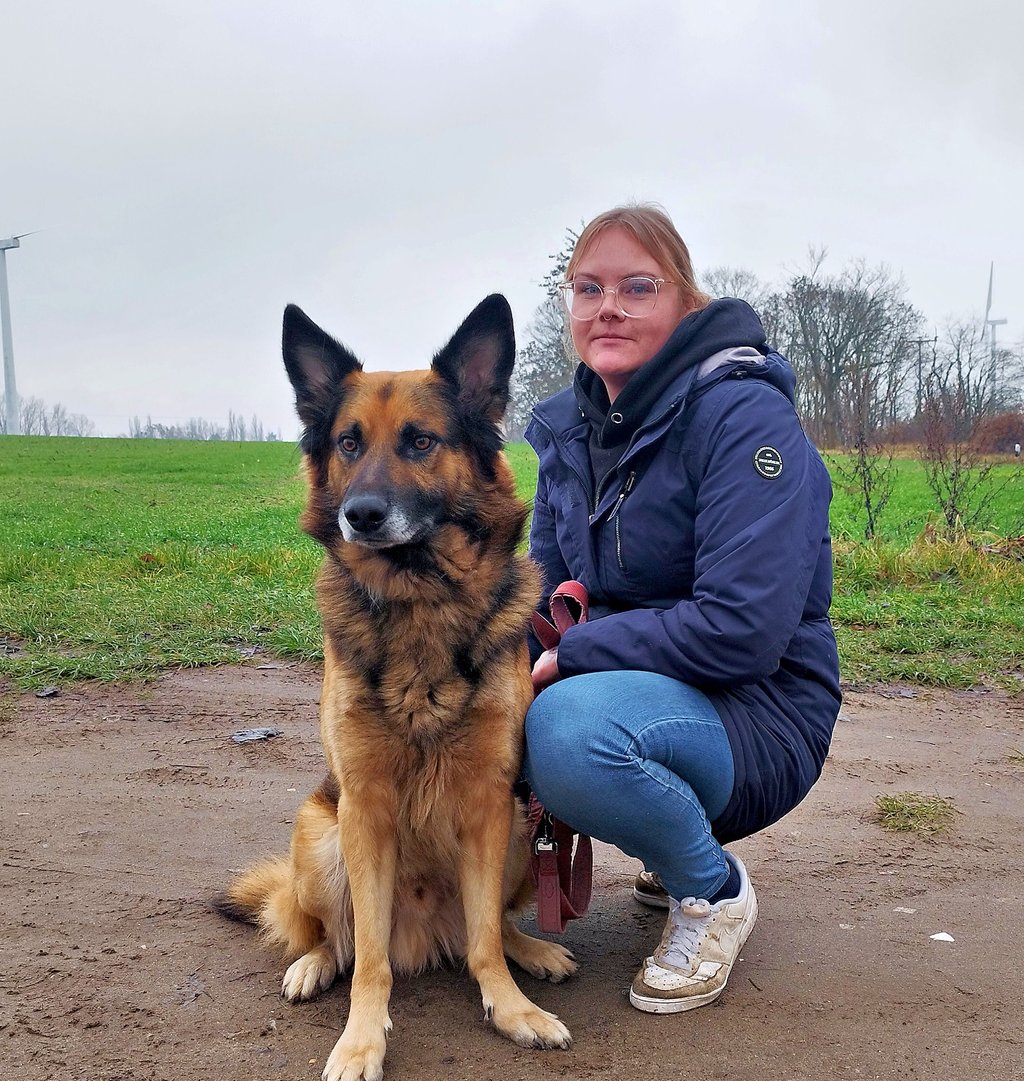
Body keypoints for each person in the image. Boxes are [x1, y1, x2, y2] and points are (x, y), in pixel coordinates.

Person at [522, 204, 841, 1015]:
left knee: (565, 730)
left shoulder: (744, 416)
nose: (609, 307)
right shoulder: (568, 435)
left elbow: (743, 627)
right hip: (649, 691)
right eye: (587, 288)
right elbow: (547, 596)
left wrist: (576, 659)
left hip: (761, 709)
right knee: (494, 697)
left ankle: (713, 888)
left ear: (685, 301)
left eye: (638, 286)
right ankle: (666, 840)